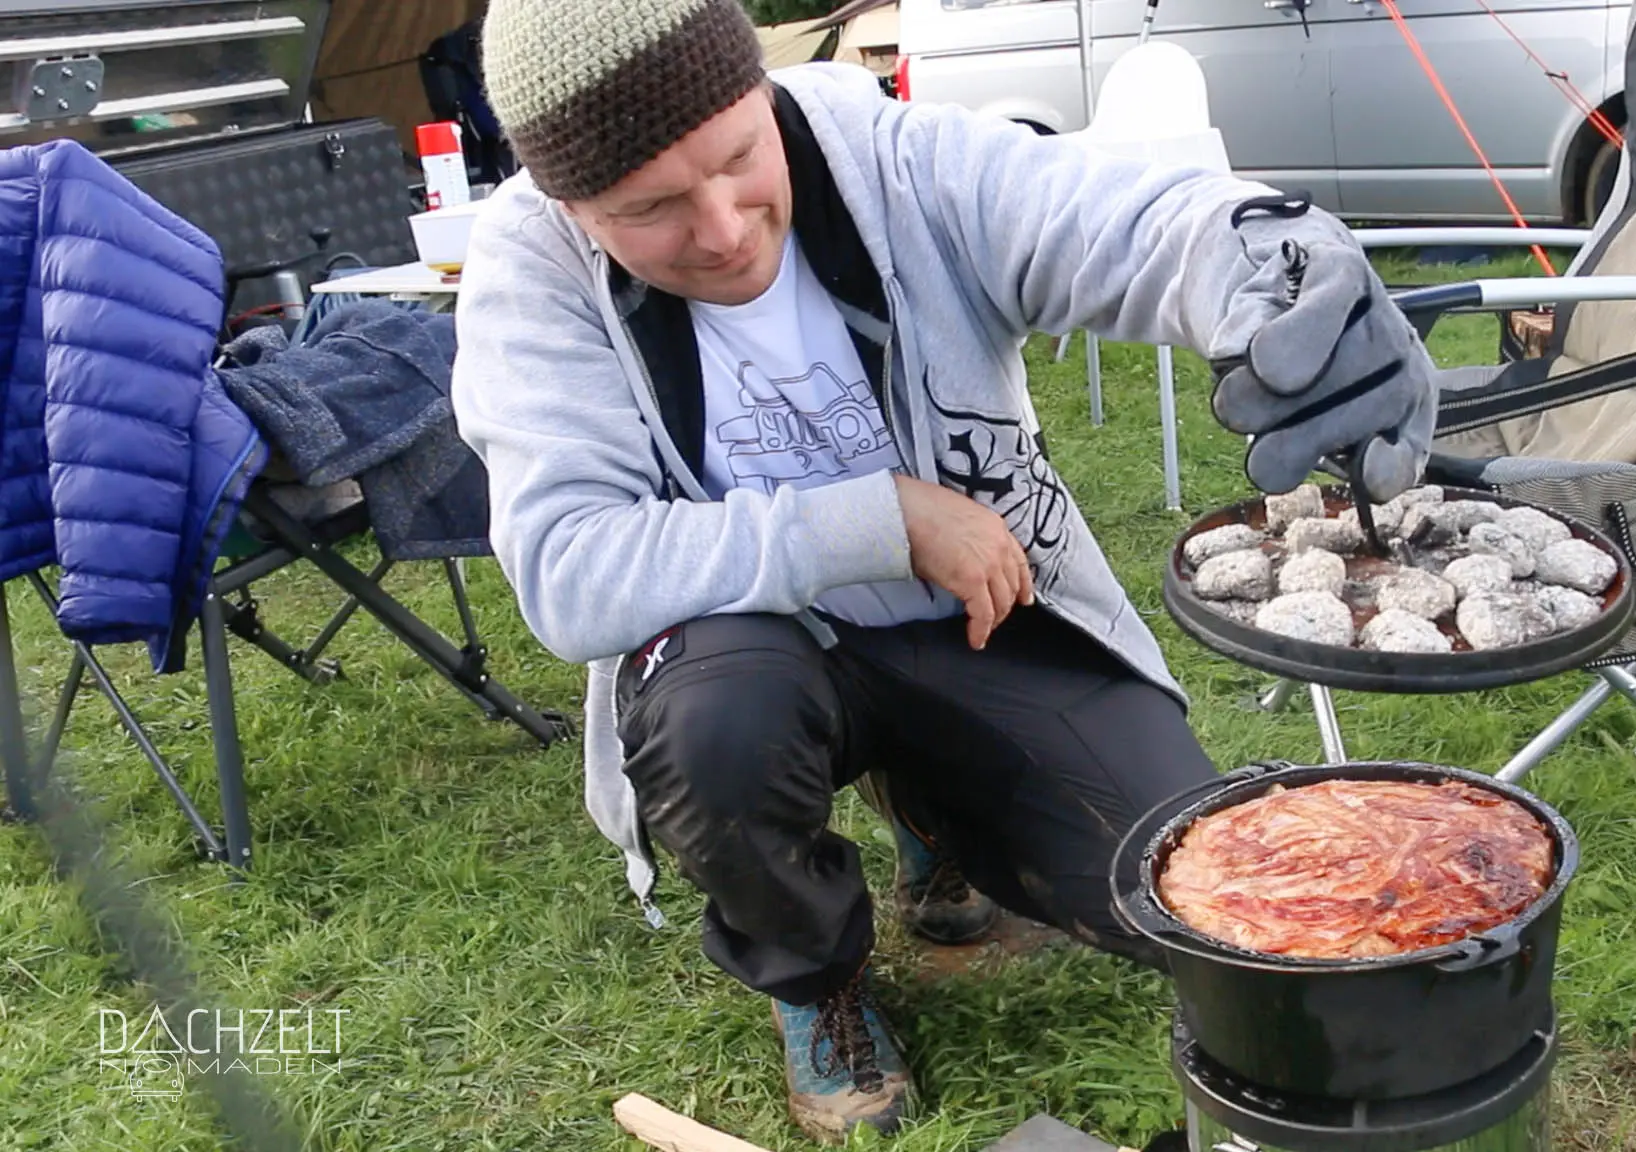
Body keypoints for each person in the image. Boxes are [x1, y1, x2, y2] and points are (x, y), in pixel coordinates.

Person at [452, 0, 1438, 1141]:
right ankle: (816, 983)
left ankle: (929, 803)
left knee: (1171, 873)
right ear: (573, 208)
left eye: (736, 159)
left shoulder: (889, 156)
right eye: (651, 209)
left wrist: (1272, 265)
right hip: (754, 656)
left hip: (982, 614)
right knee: (720, 730)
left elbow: (1114, 217)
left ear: (762, 97)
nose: (721, 229)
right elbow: (570, 568)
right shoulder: (530, 269)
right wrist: (879, 520)